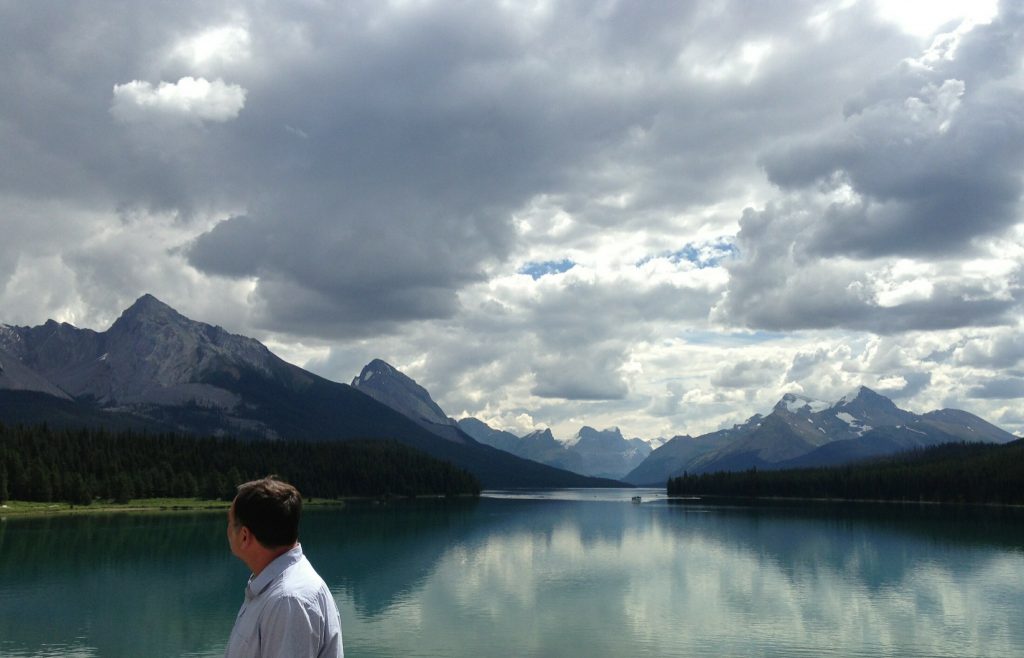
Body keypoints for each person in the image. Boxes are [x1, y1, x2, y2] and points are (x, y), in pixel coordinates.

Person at [225, 476, 343, 658]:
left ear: (244, 536)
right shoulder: (275, 589)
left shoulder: (288, 601)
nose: (227, 529)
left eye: (230, 523)